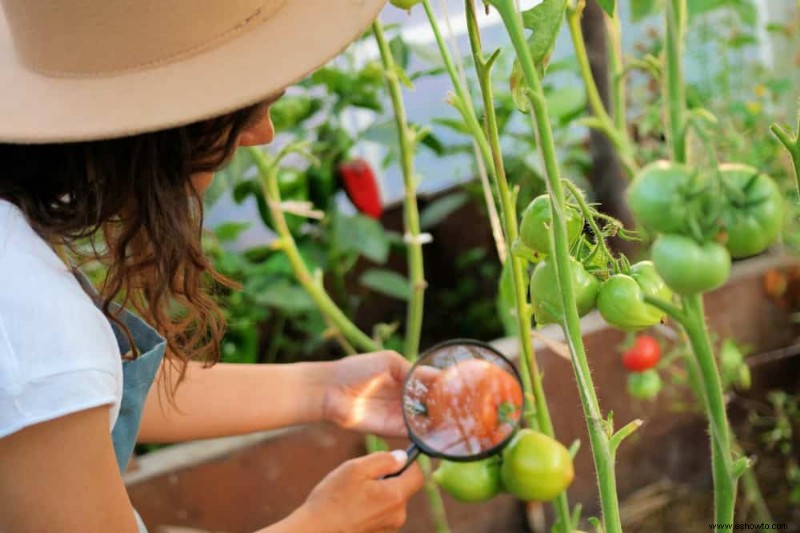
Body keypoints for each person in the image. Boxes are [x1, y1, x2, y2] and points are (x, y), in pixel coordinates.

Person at [0, 1, 425, 532]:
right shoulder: (32, 324)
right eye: (239, 105)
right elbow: (51, 380)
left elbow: (72, 405)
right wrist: (326, 524)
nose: (261, 132)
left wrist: (327, 389)